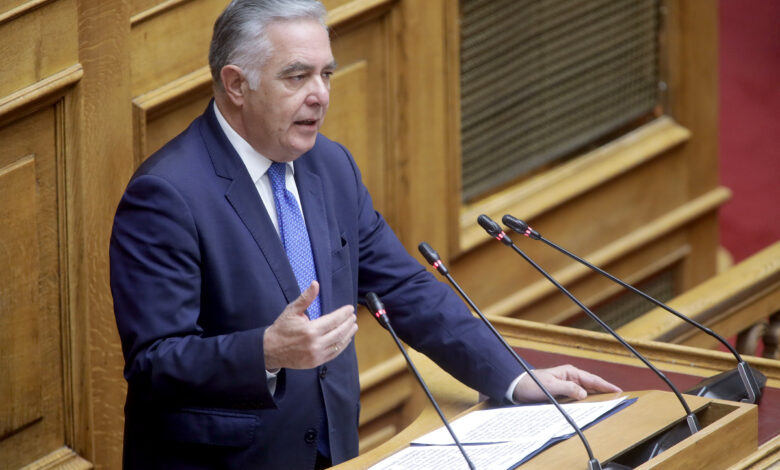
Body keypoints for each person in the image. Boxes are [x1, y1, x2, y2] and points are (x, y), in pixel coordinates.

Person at [109, 1, 621, 468]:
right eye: (297, 76)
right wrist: (264, 351)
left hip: (335, 451)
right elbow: (155, 363)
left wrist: (513, 376)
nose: (320, 95)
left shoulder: (329, 166)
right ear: (237, 85)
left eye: (326, 74)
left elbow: (402, 288)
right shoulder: (167, 194)